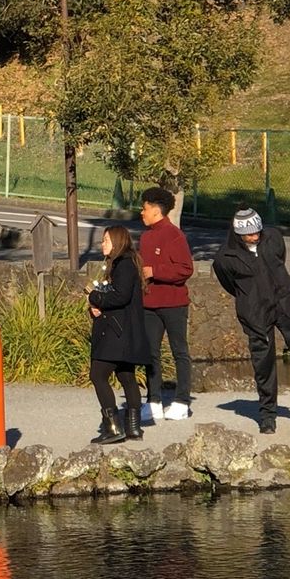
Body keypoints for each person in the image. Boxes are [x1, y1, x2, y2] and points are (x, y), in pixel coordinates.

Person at [212, 207, 290, 434]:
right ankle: (267, 415)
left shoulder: (273, 237)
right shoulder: (225, 258)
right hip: (255, 312)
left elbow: (280, 259)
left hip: (283, 301)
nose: (255, 236)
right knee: (263, 362)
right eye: (249, 234)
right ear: (238, 234)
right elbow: (229, 284)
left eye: (257, 232)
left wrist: (282, 288)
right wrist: (249, 297)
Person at [87, 224, 149, 445]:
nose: (102, 244)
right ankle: (133, 427)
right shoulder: (127, 263)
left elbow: (120, 296)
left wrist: (95, 297)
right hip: (125, 330)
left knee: (98, 374)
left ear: (117, 241)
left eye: (105, 240)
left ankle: (113, 427)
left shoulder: (123, 264)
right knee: (126, 375)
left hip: (117, 331)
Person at [138, 185, 195, 423]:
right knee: (150, 353)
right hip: (149, 303)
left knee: (179, 351)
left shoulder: (174, 235)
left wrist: (155, 271)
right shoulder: (145, 236)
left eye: (145, 208)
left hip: (173, 304)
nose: (141, 212)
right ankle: (154, 400)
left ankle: (182, 401)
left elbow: (185, 269)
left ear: (156, 210)